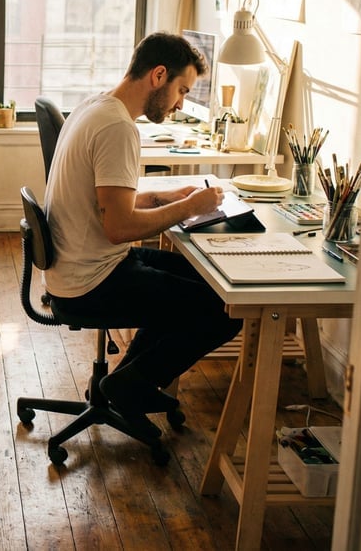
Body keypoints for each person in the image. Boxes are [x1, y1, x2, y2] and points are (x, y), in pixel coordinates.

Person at [43, 31, 242, 430]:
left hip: (81, 266)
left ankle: (128, 380)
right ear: (158, 75)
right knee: (227, 308)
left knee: (209, 284)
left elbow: (111, 201)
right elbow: (118, 228)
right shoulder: (118, 129)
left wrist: (165, 197)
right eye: (181, 90)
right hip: (92, 281)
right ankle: (133, 382)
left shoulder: (96, 106)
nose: (181, 103)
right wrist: (190, 207)